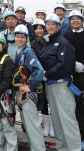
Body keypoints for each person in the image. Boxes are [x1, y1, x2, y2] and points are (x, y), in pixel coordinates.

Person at [39, 13, 81, 151]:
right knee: (57, 122)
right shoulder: (48, 42)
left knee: (68, 121)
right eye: (48, 24)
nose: (50, 26)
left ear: (58, 26)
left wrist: (47, 74)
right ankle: (62, 148)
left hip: (62, 85)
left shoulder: (63, 42)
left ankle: (74, 148)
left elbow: (64, 65)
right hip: (50, 86)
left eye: (53, 24)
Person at [13, 25, 46, 151]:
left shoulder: (28, 52)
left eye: (22, 37)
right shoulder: (20, 52)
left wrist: (30, 86)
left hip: (28, 95)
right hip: (22, 94)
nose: (19, 39)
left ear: (26, 38)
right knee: (28, 126)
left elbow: (39, 71)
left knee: (33, 127)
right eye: (17, 36)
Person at [63, 10, 84, 150]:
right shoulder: (66, 35)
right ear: (70, 21)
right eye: (73, 19)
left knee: (82, 106)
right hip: (70, 75)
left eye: (78, 19)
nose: (75, 21)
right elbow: (64, 54)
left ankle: (82, 137)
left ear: (82, 21)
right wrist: (72, 65)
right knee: (72, 107)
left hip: (83, 74)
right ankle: (74, 137)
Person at [31, 19, 54, 137]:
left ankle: (53, 126)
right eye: (36, 28)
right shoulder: (33, 43)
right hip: (40, 75)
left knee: (53, 100)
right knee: (43, 100)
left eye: (41, 28)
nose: (39, 31)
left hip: (50, 74)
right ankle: (46, 126)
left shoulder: (49, 40)